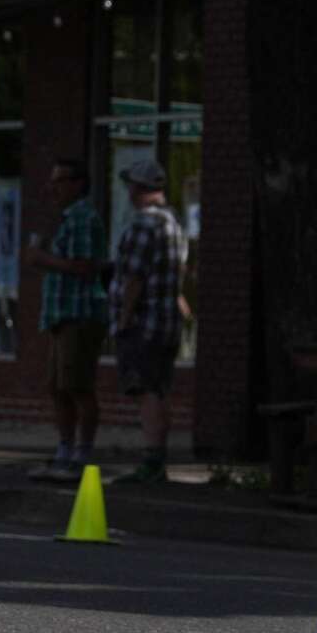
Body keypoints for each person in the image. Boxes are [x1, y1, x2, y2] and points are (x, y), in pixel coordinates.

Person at [23, 158, 108, 481]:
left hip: (80, 313)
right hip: (59, 315)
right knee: (57, 387)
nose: (52, 188)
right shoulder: (66, 219)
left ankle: (82, 455)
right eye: (52, 180)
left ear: (78, 183)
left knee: (77, 385)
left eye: (59, 181)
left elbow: (85, 266)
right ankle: (63, 449)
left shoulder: (84, 219)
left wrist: (41, 257)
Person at [109, 158, 189, 485]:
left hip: (146, 322)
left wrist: (124, 319)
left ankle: (152, 461)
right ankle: (157, 458)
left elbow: (135, 279)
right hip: (168, 320)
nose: (128, 191)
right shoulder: (173, 222)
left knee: (146, 390)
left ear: (139, 188)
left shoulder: (144, 224)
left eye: (131, 185)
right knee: (159, 387)